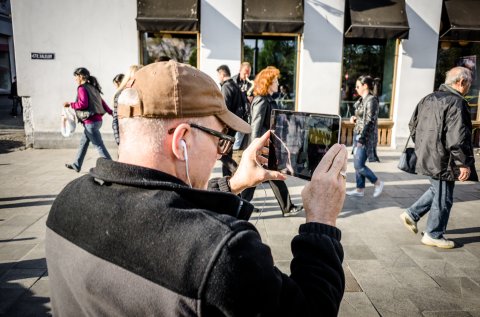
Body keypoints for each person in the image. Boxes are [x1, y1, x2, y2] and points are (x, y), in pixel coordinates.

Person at [46, 61, 348, 316]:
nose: (220, 152)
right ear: (182, 140)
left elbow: (168, 204)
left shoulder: (68, 201)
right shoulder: (223, 252)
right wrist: (321, 221)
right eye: (219, 139)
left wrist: (233, 184)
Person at [400, 66, 478, 249]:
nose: (469, 88)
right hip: (444, 158)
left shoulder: (428, 98)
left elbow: (413, 125)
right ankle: (433, 234)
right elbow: (458, 137)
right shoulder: (456, 102)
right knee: (444, 196)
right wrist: (463, 163)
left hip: (428, 154)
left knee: (438, 190)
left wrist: (424, 145)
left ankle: (412, 214)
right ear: (461, 82)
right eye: (469, 84)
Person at [242, 66, 303, 217]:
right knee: (259, 178)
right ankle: (239, 205)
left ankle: (241, 205)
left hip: (268, 146)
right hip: (263, 147)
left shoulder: (268, 99)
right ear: (268, 83)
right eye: (275, 81)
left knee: (269, 177)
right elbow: (255, 127)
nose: (278, 84)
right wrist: (254, 150)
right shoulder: (261, 100)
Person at [64, 67, 113, 172]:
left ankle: (112, 169)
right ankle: (77, 164)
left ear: (81, 76)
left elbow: (83, 104)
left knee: (99, 146)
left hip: (90, 122)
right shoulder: (92, 87)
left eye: (76, 76)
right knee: (83, 142)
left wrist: (70, 104)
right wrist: (110, 112)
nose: (75, 79)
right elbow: (102, 102)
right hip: (97, 120)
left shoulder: (82, 88)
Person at [346, 75, 384, 198]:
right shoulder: (363, 100)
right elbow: (362, 117)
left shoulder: (371, 100)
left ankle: (377, 182)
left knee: (358, 165)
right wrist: (354, 118)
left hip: (365, 136)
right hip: (359, 133)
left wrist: (362, 139)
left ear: (365, 86)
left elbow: (370, 121)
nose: (356, 88)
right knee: (358, 162)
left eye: (358, 86)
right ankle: (359, 189)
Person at [216, 64, 245, 176]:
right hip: (233, 125)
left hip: (227, 127)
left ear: (222, 74)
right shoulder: (235, 85)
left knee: (222, 153)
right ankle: (228, 179)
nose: (218, 78)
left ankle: (238, 173)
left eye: (218, 75)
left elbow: (224, 108)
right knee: (227, 153)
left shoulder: (226, 87)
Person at [112, 65, 143, 145]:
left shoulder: (144, 92)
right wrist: (119, 141)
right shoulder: (121, 93)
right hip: (127, 139)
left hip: (141, 139)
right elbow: (115, 120)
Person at [232, 62, 254, 151]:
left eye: (249, 73)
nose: (247, 75)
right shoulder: (233, 81)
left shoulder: (252, 82)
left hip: (247, 114)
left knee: (243, 141)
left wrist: (253, 97)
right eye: (245, 72)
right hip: (236, 114)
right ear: (240, 70)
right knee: (236, 139)